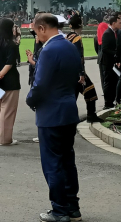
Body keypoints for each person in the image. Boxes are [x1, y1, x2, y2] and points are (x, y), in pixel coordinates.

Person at [26, 13, 82, 222]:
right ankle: (72, 207)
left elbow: (40, 85)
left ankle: (59, 210)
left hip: (51, 113)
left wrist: (30, 100)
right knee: (67, 161)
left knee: (53, 164)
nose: (35, 35)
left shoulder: (48, 50)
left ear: (42, 28)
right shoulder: (70, 44)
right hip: (68, 109)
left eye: (34, 30)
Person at [66, 14, 103, 123]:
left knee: (73, 96)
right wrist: (81, 73)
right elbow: (79, 57)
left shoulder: (68, 37)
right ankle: (91, 115)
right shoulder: (77, 38)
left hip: (70, 72)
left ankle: (70, 118)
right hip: (78, 72)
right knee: (90, 92)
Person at [100, 15, 121, 108]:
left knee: (114, 82)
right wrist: (115, 53)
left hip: (113, 63)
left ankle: (112, 101)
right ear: (113, 23)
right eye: (119, 22)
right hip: (108, 63)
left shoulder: (114, 32)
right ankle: (107, 102)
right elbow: (104, 49)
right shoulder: (107, 33)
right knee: (109, 83)